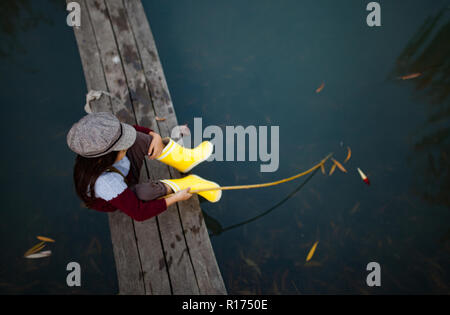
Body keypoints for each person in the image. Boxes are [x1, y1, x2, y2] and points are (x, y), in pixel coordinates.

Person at [67, 112, 222, 222]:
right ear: (104, 159)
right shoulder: (106, 183)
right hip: (122, 192)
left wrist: (154, 136)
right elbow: (138, 213)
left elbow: (132, 130)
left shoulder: (98, 145)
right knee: (145, 192)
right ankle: (188, 184)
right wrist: (176, 198)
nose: (125, 148)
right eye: (122, 148)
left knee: (138, 138)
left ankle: (185, 160)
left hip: (124, 171)